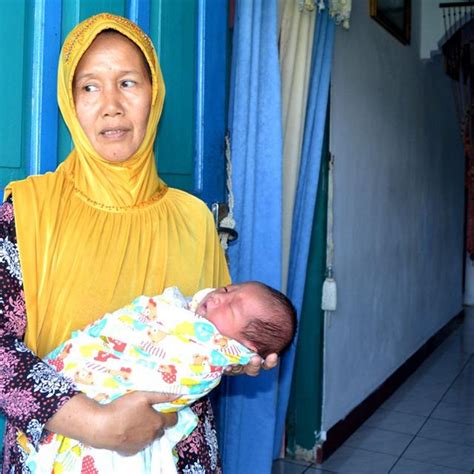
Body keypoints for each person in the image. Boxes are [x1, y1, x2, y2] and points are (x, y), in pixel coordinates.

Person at [0, 13, 278, 473]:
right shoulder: (27, 209)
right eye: (89, 87)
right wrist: (95, 423)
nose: (111, 105)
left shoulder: (193, 218)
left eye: (128, 83)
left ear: (155, 95)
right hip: (58, 455)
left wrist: (232, 356)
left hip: (176, 456)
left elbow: (200, 337)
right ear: (69, 102)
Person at [24, 282, 297, 473]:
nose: (216, 297)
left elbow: (187, 363)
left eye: (231, 307)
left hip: (162, 439)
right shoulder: (30, 214)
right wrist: (93, 421)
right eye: (226, 290)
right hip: (59, 405)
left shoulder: (195, 219)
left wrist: (226, 356)